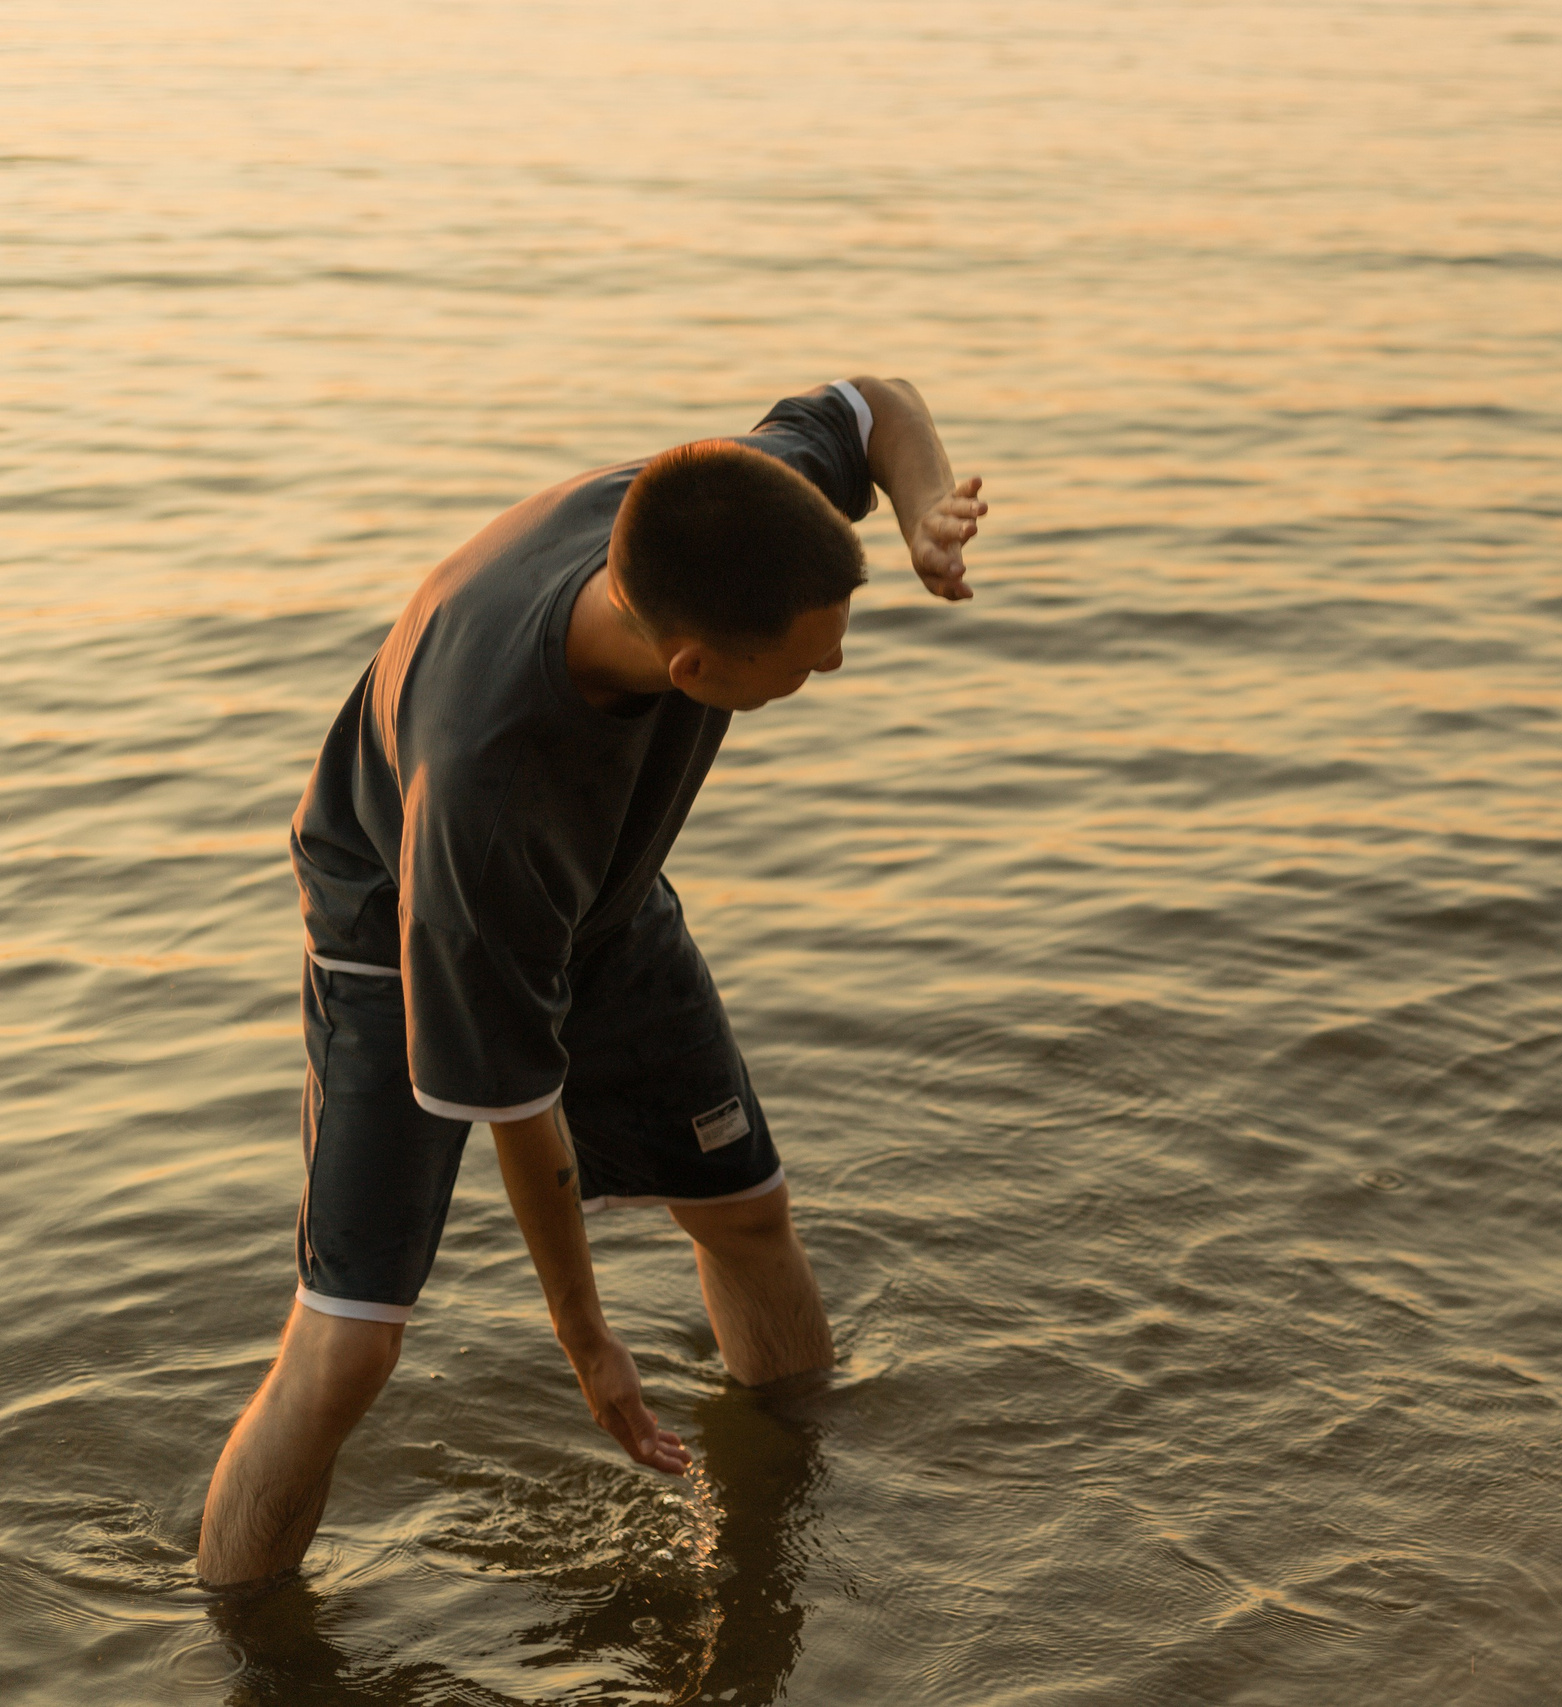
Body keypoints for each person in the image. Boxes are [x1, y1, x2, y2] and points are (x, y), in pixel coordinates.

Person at [196, 376, 988, 1586]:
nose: (830, 670)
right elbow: (520, 1113)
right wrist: (590, 1346)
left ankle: (789, 1517)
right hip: (399, 916)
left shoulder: (725, 512)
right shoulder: (486, 792)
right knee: (350, 1346)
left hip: (603, 894)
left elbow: (872, 405)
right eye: (805, 662)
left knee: (746, 1215)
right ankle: (242, 1633)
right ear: (692, 663)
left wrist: (923, 505)